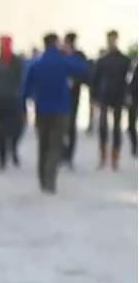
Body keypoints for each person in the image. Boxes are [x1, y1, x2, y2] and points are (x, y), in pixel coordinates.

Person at [22, 32, 91, 193]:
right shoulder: (63, 61)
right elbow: (83, 68)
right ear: (56, 43)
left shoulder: (36, 63)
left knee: (43, 145)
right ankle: (50, 181)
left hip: (42, 109)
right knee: (55, 146)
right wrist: (69, 53)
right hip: (61, 109)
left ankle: (42, 180)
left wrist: (24, 107)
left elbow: (25, 87)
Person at [0, 35, 27, 170]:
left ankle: (12, 148)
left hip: (14, 99)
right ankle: (2, 158)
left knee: (17, 128)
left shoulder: (18, 63)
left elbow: (23, 80)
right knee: (1, 131)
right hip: (1, 100)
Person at [92, 29, 132, 168]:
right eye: (109, 39)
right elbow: (96, 79)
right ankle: (103, 157)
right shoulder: (102, 61)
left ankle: (115, 159)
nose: (111, 42)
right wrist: (94, 96)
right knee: (103, 126)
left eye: (113, 39)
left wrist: (128, 95)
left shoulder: (125, 60)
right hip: (104, 95)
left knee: (116, 127)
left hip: (118, 95)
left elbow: (129, 80)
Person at [61, 31, 91, 168]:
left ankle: (69, 156)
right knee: (60, 125)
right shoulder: (59, 55)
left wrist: (75, 81)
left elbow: (85, 74)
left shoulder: (79, 56)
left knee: (71, 125)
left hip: (73, 95)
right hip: (59, 95)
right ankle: (62, 153)